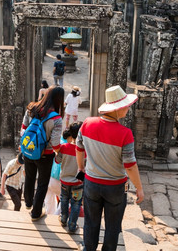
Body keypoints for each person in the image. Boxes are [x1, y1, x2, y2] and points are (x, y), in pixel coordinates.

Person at [76, 85, 144, 251]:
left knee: (91, 222)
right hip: (115, 187)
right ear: (117, 109)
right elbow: (130, 165)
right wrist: (139, 189)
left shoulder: (87, 123)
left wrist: (81, 168)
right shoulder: (125, 133)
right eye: (126, 106)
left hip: (91, 183)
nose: (128, 108)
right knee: (113, 226)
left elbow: (79, 147)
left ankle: (88, 248)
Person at [21, 85, 65, 221]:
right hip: (45, 155)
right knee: (42, 184)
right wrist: (59, 153)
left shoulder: (31, 108)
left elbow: (23, 129)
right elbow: (55, 143)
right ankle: (36, 213)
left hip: (28, 150)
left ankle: (28, 203)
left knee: (29, 176)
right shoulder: (56, 119)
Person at [55, 122, 84, 233]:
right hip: (78, 182)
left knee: (64, 199)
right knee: (76, 203)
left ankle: (63, 219)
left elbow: (57, 161)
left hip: (65, 181)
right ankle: (72, 225)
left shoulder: (64, 147)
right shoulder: (84, 151)